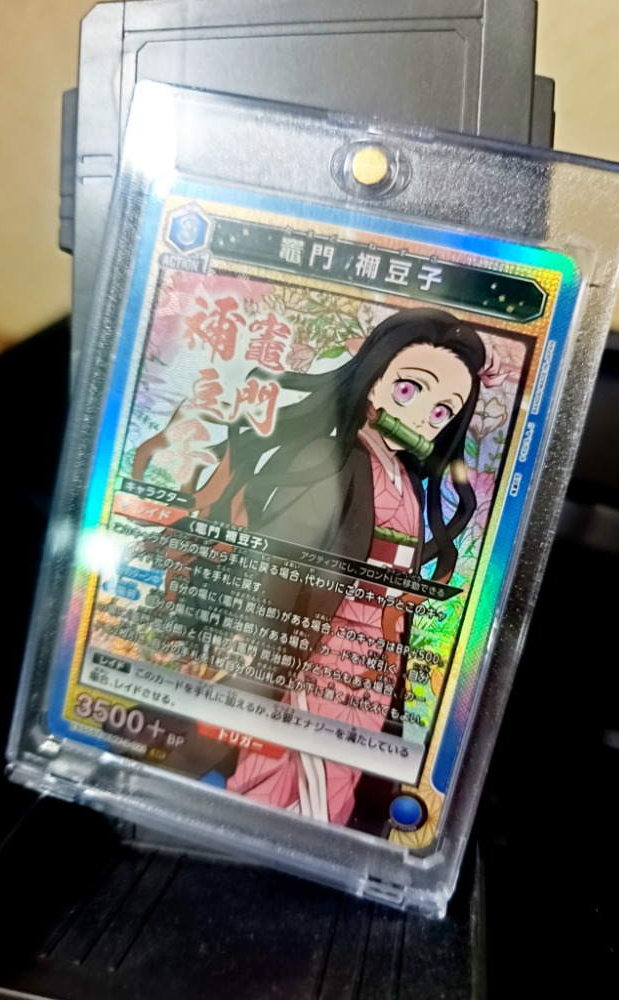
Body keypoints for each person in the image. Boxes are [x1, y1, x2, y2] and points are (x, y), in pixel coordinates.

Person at [185, 307, 487, 826]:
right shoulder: (332, 459)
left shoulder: (408, 482)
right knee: (288, 759)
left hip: (377, 653)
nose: (423, 417)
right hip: (323, 644)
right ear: (372, 382)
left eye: (442, 412)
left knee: (343, 767)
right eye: (410, 390)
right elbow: (282, 560)